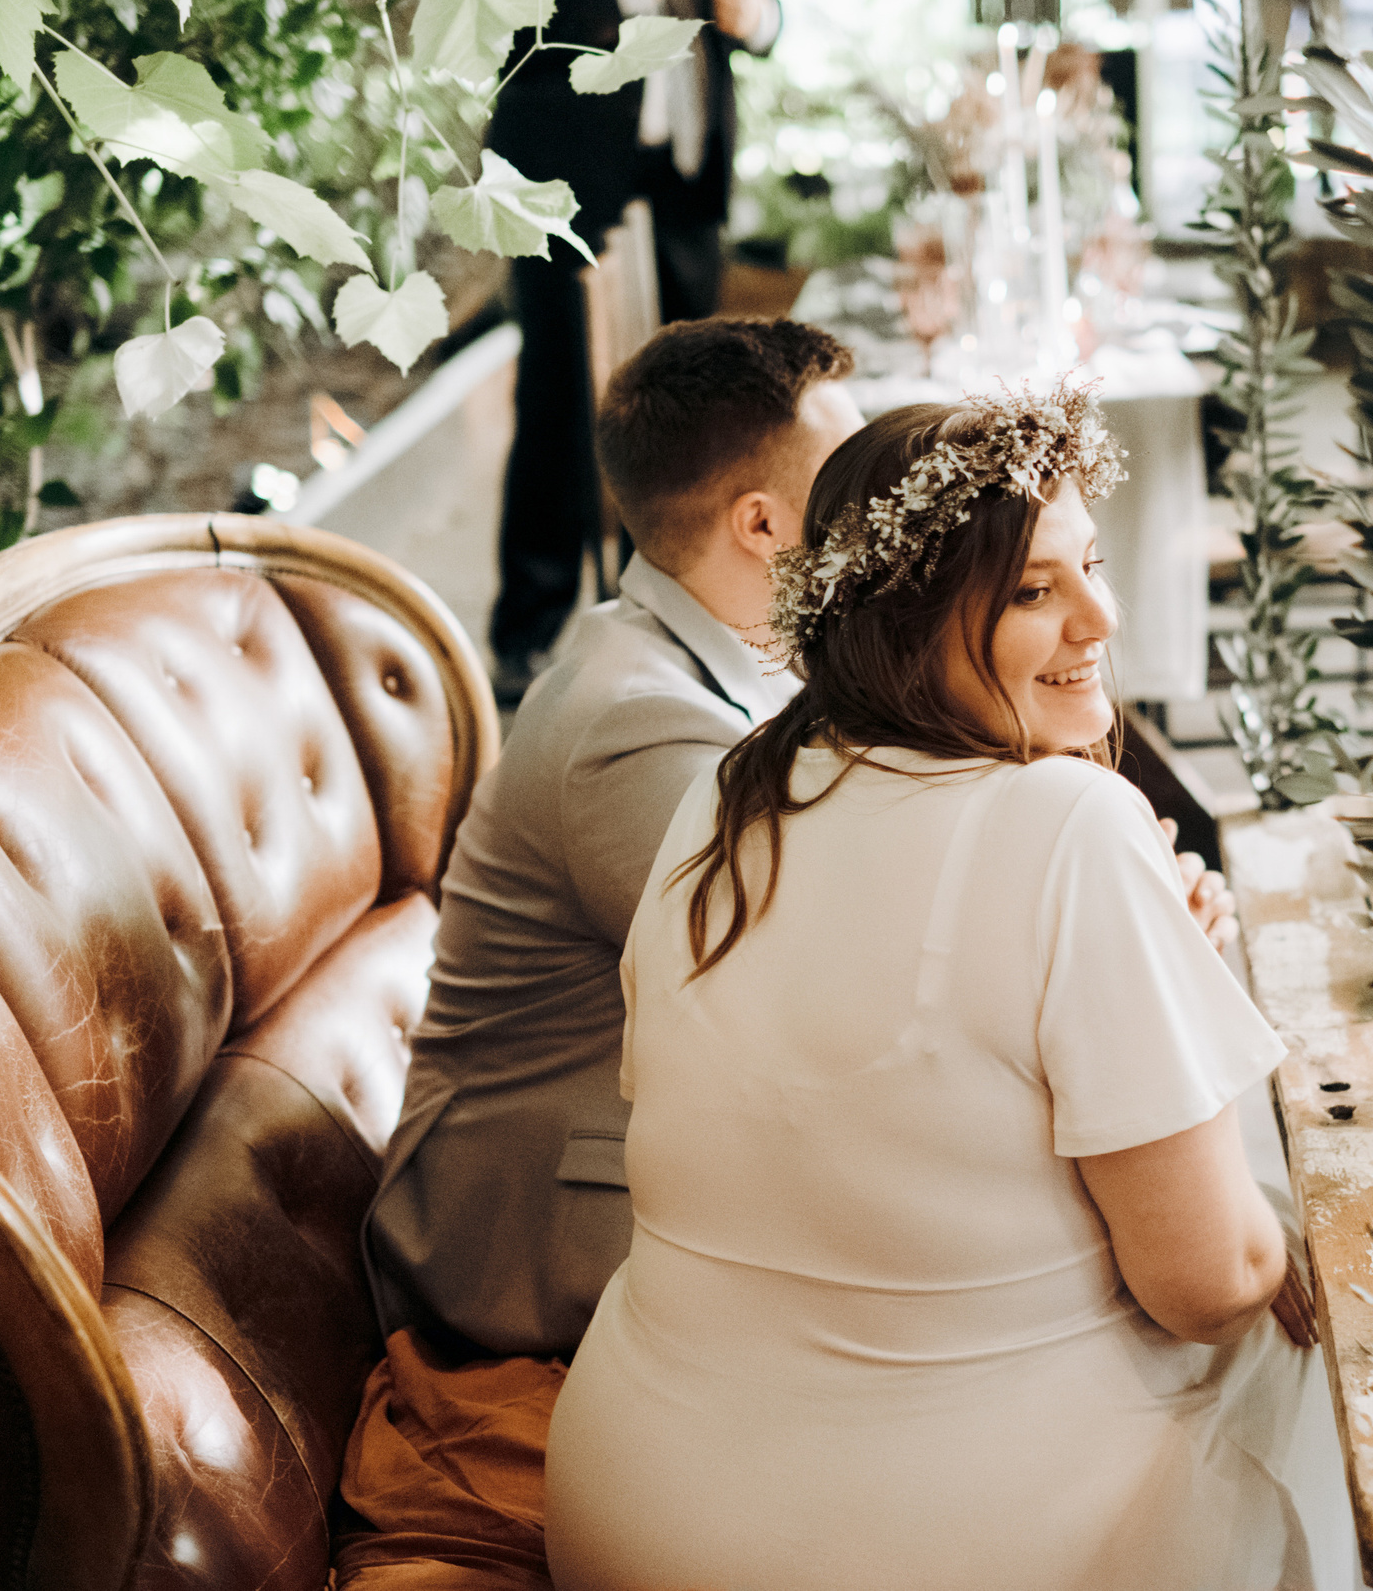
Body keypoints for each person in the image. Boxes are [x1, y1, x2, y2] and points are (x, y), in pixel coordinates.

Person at [541, 387, 1316, 1591]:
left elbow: (882, 1119)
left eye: (1092, 567)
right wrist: (1309, 1234)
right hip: (931, 1538)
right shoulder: (1069, 822)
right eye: (1031, 592)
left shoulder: (733, 785)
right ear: (903, 622)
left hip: (629, 1504)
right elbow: (1210, 1283)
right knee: (1364, 1346)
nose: (1101, 618)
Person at [364, 318, 861, 1370]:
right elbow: (816, 1002)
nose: (878, 516)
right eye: (848, 489)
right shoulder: (636, 723)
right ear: (763, 525)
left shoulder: (729, 659)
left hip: (634, 1148)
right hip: (526, 1234)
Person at [485, 0, 781, 692]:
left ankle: (670, 621)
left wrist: (754, 15)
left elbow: (760, 1)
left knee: (690, 411)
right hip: (565, 182)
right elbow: (509, 33)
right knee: (559, 400)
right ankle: (528, 631)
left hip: (682, 180)